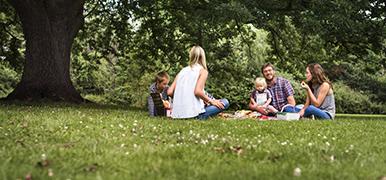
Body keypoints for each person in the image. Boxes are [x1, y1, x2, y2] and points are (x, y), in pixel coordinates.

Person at [167, 45, 229, 119]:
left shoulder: (182, 71)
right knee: (225, 102)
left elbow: (169, 92)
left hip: (177, 115)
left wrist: (182, 98)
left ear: (191, 56)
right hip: (194, 115)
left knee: (209, 98)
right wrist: (211, 101)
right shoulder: (202, 71)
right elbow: (198, 92)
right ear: (203, 57)